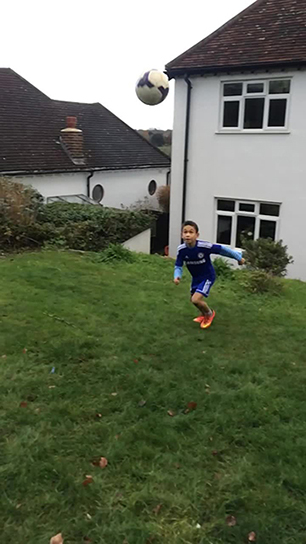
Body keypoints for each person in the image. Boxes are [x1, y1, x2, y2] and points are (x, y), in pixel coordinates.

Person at [174, 220, 245, 329]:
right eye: (185, 232)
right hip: (196, 278)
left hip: (207, 276)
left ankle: (209, 314)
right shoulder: (182, 250)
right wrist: (177, 276)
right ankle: (203, 315)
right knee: (194, 300)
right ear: (181, 234)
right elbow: (178, 265)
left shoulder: (204, 246)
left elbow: (222, 250)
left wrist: (238, 258)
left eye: (191, 232)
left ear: (197, 235)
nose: (188, 234)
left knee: (196, 299)